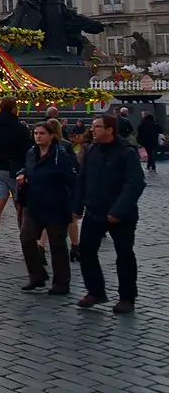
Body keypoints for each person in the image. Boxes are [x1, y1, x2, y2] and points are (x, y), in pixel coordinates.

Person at [73, 115, 146, 313]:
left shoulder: (126, 153)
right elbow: (83, 179)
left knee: (124, 255)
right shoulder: (92, 150)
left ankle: (127, 298)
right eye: (93, 126)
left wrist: (118, 210)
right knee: (86, 251)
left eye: (97, 127)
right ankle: (95, 291)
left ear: (110, 130)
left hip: (121, 215)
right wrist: (78, 206)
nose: (93, 130)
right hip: (94, 211)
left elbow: (135, 184)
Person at [16, 121, 78, 295]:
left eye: (42, 133)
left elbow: (72, 179)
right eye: (36, 133)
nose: (38, 136)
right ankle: (37, 276)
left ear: (51, 135)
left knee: (57, 245)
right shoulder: (31, 153)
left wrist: (73, 204)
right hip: (34, 203)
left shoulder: (60, 154)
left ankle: (61, 282)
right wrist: (21, 173)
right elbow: (26, 168)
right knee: (26, 238)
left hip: (55, 205)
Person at [0, 96, 32, 257]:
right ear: (13, 108)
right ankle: (26, 243)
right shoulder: (21, 128)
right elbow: (27, 152)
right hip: (16, 170)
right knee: (21, 208)